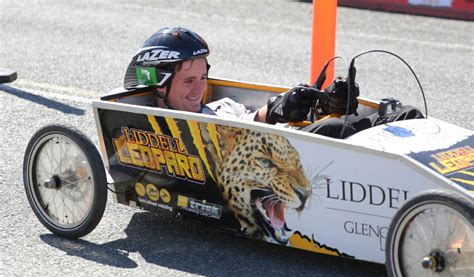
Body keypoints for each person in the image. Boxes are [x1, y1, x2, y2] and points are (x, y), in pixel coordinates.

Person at [124, 26, 423, 138]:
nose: (199, 88)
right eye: (189, 80)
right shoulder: (151, 130)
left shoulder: (219, 107)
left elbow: (260, 118)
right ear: (160, 84)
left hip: (292, 154)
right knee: (333, 129)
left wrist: (301, 104)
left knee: (409, 114)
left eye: (203, 77)